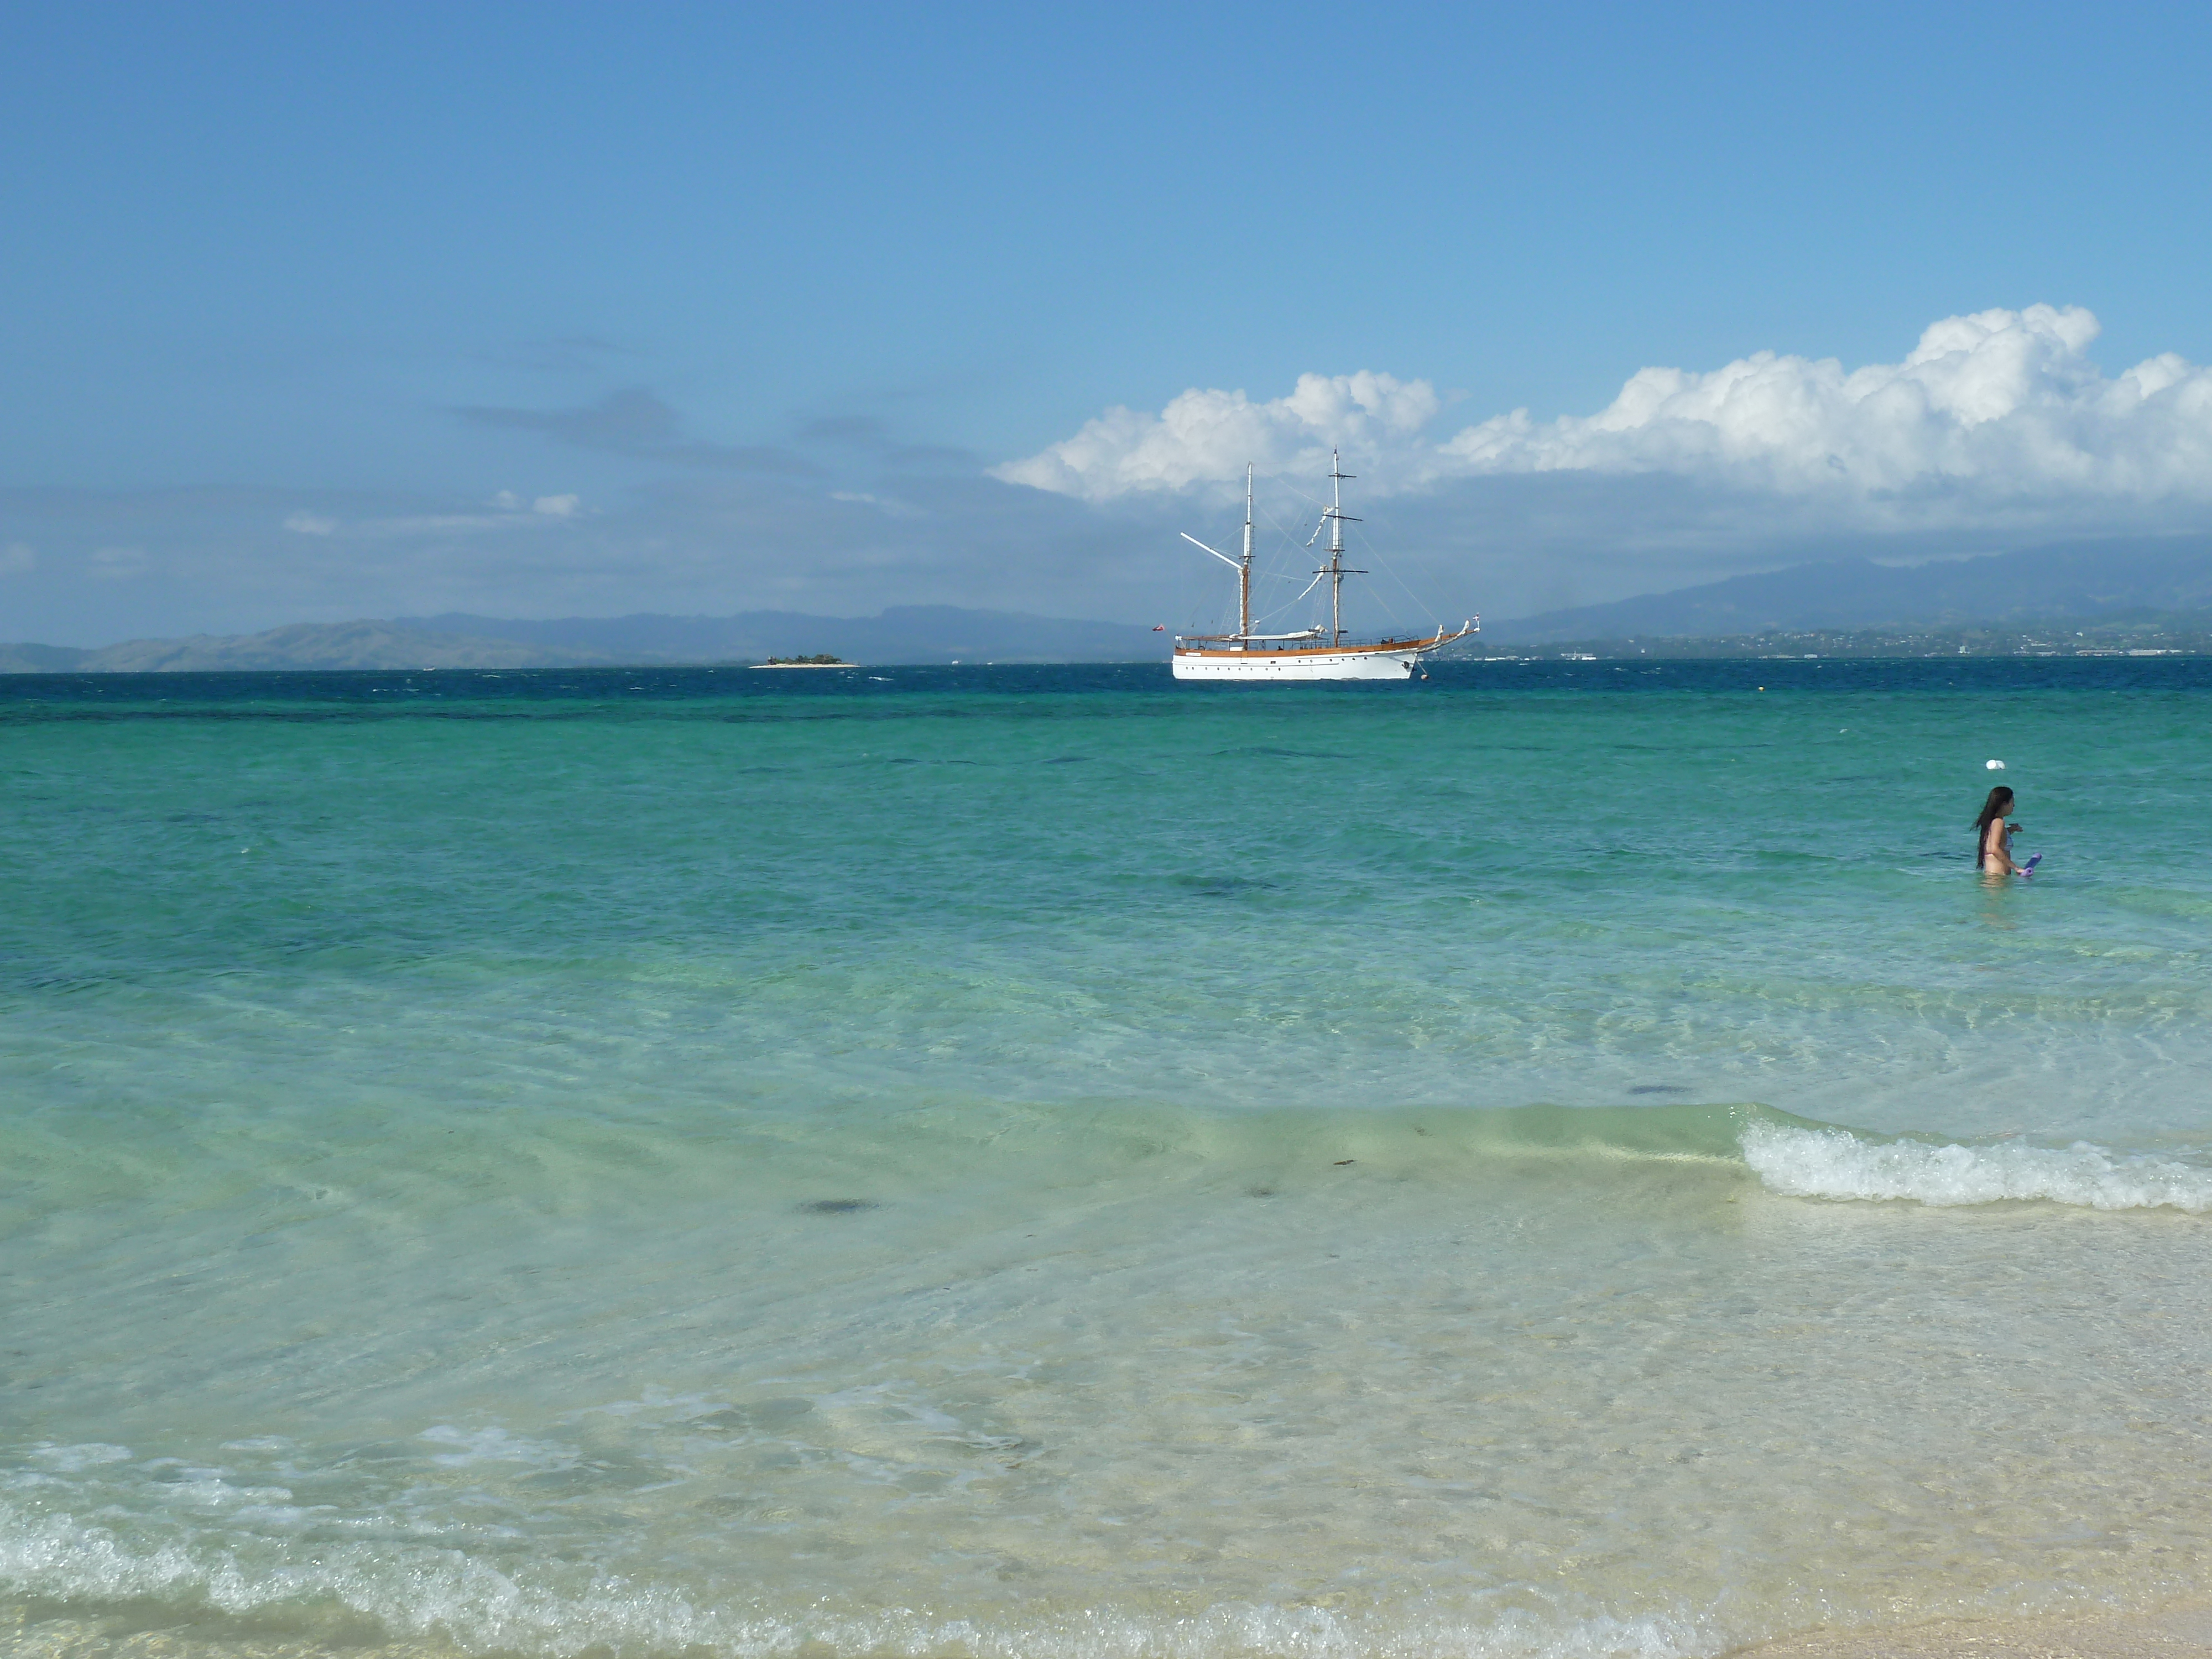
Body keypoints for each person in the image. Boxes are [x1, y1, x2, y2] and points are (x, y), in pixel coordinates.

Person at [1975, 785, 2027, 875]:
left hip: (1993, 877)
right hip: (1998, 879)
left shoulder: (1992, 822)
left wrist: (2010, 830)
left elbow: (1998, 839)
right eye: (2012, 802)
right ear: (2004, 804)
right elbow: (1995, 849)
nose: (2014, 805)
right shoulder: (1999, 822)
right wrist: (2016, 868)